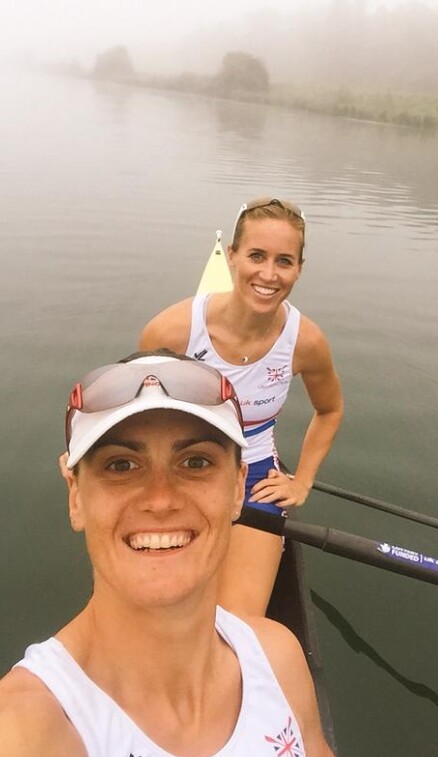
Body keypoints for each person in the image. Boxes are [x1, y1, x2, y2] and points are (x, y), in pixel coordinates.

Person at [0, 351, 341, 757]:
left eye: (195, 462)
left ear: (237, 488)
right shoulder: (21, 737)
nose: (160, 499)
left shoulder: (277, 655)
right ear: (75, 495)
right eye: (121, 465)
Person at [139, 197, 344, 616]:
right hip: (181, 474)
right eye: (256, 256)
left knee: (237, 624)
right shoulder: (172, 331)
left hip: (254, 479)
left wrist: (301, 481)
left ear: (299, 269)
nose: (268, 275)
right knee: (162, 607)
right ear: (232, 257)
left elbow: (330, 411)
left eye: (284, 261)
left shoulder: (307, 342)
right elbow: (137, 421)